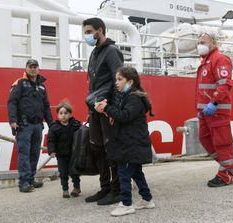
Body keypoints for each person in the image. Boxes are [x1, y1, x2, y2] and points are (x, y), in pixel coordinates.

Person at [95, 67, 155, 216]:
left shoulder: (134, 98)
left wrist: (107, 108)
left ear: (130, 81)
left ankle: (126, 203)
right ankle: (147, 199)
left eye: (120, 79)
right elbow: (123, 115)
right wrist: (107, 111)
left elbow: (126, 115)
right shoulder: (128, 96)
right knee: (136, 173)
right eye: (116, 79)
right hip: (130, 142)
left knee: (124, 173)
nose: (116, 83)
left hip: (131, 144)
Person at [82, 17, 124, 205]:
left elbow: (120, 81)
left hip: (107, 108)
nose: (87, 36)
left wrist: (114, 109)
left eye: (89, 32)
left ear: (100, 30)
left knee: (111, 148)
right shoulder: (94, 53)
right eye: (85, 32)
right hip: (95, 108)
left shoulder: (112, 51)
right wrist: (91, 107)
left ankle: (118, 190)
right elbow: (94, 84)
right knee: (97, 148)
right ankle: (105, 187)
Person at [8, 59, 53, 192]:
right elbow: (12, 102)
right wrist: (12, 121)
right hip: (24, 125)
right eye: (30, 67)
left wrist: (52, 124)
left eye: (35, 67)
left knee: (34, 153)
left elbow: (46, 107)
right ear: (26, 68)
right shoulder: (20, 83)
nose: (33, 69)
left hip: (38, 126)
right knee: (24, 154)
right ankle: (23, 182)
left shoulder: (42, 86)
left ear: (38, 69)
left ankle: (31, 179)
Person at [196, 33, 233, 187]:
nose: (200, 45)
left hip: (217, 110)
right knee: (204, 138)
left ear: (213, 42)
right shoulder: (205, 62)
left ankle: (226, 174)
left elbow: (224, 84)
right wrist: (199, 108)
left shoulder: (220, 59)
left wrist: (214, 102)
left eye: (203, 42)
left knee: (222, 142)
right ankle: (230, 164)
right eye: (198, 42)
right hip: (206, 112)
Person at [47, 101, 81, 198]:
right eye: (61, 113)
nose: (63, 115)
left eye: (66, 113)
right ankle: (65, 189)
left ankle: (76, 187)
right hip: (61, 155)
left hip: (73, 154)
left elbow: (82, 136)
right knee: (63, 173)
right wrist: (52, 150)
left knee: (74, 172)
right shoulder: (54, 128)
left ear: (70, 114)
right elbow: (51, 140)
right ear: (57, 115)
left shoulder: (76, 125)